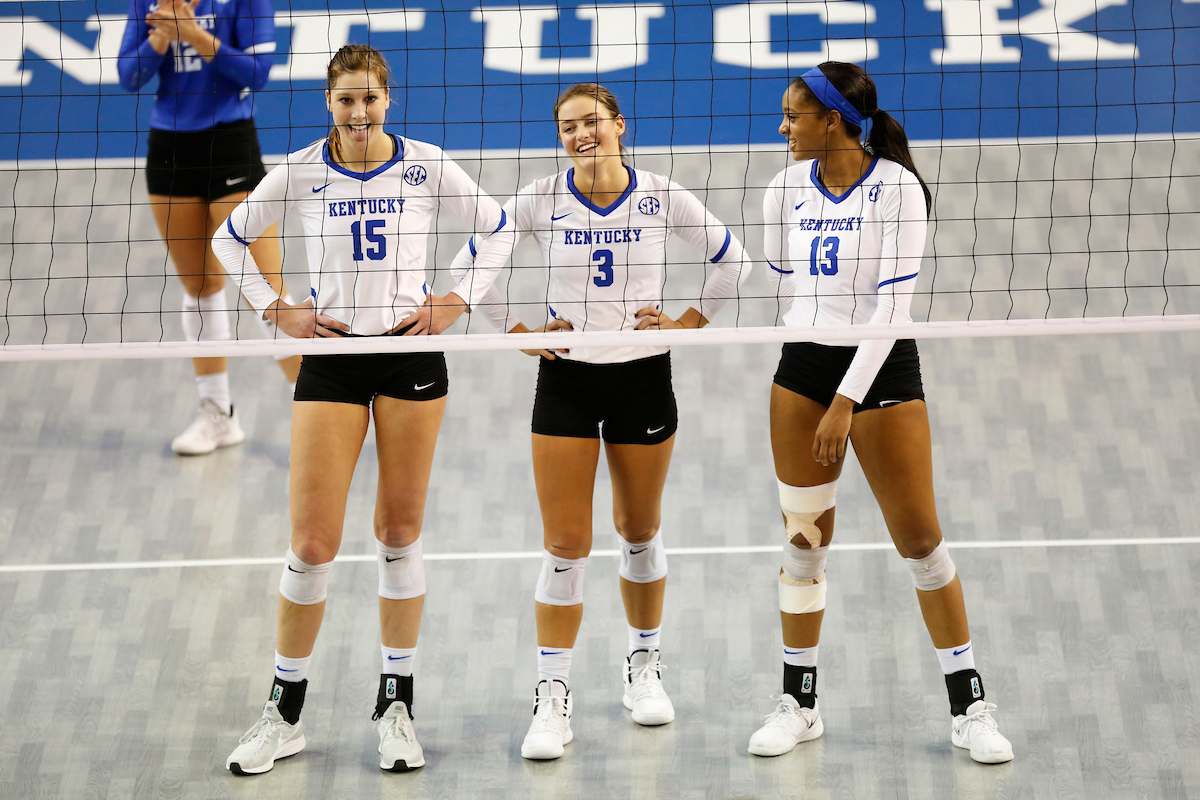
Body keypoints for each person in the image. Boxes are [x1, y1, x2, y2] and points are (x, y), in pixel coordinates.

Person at [210, 44, 514, 775]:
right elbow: (228, 238)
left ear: (388, 99)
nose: (358, 112)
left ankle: (395, 706)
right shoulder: (300, 170)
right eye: (345, 99)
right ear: (328, 101)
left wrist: (457, 300)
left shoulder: (426, 164)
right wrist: (275, 308)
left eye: (369, 98)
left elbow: (499, 226)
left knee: (399, 532)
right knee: (312, 543)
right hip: (334, 358)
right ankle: (283, 713)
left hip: (410, 354)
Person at [450, 83, 751, 761]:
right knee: (565, 543)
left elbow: (734, 261)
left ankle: (644, 664)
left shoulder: (660, 194)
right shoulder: (539, 199)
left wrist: (689, 322)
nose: (581, 134)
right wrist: (514, 330)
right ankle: (551, 695)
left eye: (592, 122)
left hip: (643, 376)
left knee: (639, 530)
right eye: (568, 127)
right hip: (567, 381)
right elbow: (470, 267)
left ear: (619, 125)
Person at [750, 62, 1014, 764]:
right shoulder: (783, 189)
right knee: (803, 541)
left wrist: (845, 402)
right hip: (803, 368)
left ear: (832, 120)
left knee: (921, 542)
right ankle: (799, 703)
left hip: (880, 369)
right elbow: (785, 282)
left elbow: (892, 309)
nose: (782, 127)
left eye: (794, 116)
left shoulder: (897, 188)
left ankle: (969, 706)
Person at [117, 0, 302, 455]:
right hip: (170, 151)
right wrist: (161, 36)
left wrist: (195, 35)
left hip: (230, 144)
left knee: (264, 290)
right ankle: (218, 414)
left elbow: (258, 73)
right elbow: (128, 76)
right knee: (199, 285)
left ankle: (322, 405)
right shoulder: (149, 2)